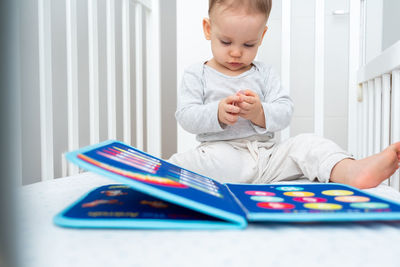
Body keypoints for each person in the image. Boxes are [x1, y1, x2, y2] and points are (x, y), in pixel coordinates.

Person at [169, 0, 400, 189]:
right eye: (226, 41)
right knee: (185, 164)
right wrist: (217, 113)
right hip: (223, 156)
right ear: (209, 29)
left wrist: (260, 112)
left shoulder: (265, 73)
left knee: (308, 144)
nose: (237, 52)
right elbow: (186, 116)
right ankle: (147, 179)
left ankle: (351, 170)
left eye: (249, 44)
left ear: (262, 36)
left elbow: (285, 111)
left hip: (270, 157)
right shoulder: (196, 74)